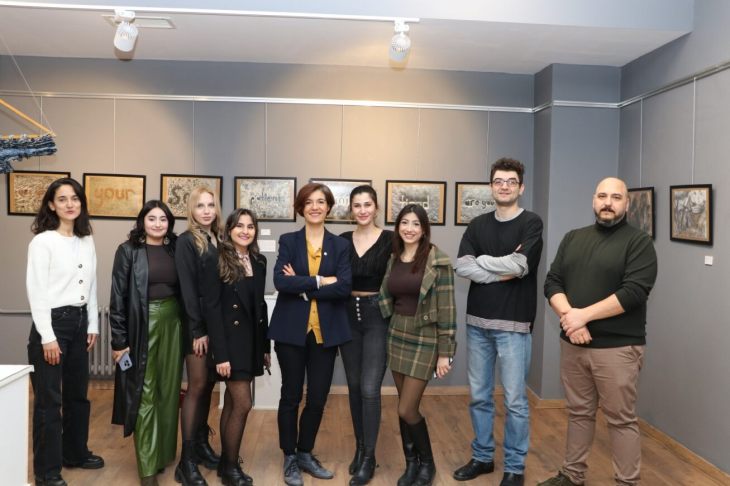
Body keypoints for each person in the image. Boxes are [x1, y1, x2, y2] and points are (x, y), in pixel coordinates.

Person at [538, 177, 658, 486]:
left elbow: (633, 292)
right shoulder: (573, 238)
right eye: (602, 196)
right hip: (573, 345)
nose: (608, 202)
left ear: (627, 204)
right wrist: (570, 318)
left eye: (616, 197)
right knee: (579, 413)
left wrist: (581, 317)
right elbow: (552, 281)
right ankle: (572, 475)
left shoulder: (639, 243)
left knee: (620, 420)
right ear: (593, 200)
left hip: (617, 349)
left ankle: (627, 482)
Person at [452, 158, 543, 486]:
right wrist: (501, 270)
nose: (504, 186)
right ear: (491, 186)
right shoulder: (478, 225)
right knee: (479, 396)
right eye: (498, 181)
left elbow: (520, 265)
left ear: (521, 187)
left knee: (515, 401)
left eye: (511, 181)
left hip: (514, 327)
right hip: (477, 324)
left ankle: (515, 467)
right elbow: (462, 266)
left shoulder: (531, 223)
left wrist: (484, 262)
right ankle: (483, 457)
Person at [267, 182, 352, 486]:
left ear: (328, 207)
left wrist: (302, 286)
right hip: (291, 331)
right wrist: (319, 280)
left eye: (321, 202)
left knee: (317, 397)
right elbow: (281, 282)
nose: (315, 207)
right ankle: (289, 455)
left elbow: (344, 287)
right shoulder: (288, 240)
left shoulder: (340, 245)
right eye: (309, 202)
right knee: (290, 395)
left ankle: (305, 452)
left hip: (325, 333)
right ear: (301, 208)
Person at [26, 177, 104, 486]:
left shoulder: (86, 239)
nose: (70, 204)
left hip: (80, 322)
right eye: (62, 199)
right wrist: (47, 336)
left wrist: (93, 324)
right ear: (51, 205)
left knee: (77, 395)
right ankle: (46, 472)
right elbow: (36, 292)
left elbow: (92, 284)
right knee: (49, 402)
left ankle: (75, 453)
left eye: (75, 198)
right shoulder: (43, 242)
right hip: (52, 324)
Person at [379, 204, 456, 486]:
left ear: (424, 229)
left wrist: (445, 353)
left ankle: (428, 464)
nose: (409, 228)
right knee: (403, 404)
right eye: (404, 223)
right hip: (397, 333)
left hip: (425, 337)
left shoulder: (439, 261)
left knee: (406, 409)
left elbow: (447, 309)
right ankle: (411, 464)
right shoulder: (394, 258)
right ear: (398, 226)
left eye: (415, 224)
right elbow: (388, 295)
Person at [109, 200, 183, 486]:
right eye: (152, 219)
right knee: (145, 392)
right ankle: (148, 467)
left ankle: (163, 455)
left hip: (174, 322)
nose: (157, 224)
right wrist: (119, 341)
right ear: (142, 222)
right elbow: (117, 297)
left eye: (163, 219)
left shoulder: (175, 248)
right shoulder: (128, 251)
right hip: (142, 324)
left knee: (169, 391)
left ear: (169, 223)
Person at [203, 209, 270, 486]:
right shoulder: (217, 259)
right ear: (229, 229)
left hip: (251, 344)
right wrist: (220, 354)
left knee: (232, 404)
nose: (245, 231)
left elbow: (259, 307)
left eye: (250, 226)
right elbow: (212, 309)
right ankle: (231, 467)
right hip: (229, 345)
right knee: (243, 404)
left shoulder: (259, 260)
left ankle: (225, 464)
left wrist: (264, 348)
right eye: (239, 226)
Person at [339, 185, 393, 485]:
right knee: (355, 386)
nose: (362, 210)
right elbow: (331, 274)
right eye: (357, 205)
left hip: (377, 317)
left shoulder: (390, 240)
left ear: (376, 208)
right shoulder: (342, 240)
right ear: (351, 209)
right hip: (347, 316)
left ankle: (370, 457)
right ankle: (360, 448)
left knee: (370, 389)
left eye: (367, 205)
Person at [175, 186, 223, 486]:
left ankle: (201, 445)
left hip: (216, 324)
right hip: (197, 327)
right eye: (200, 206)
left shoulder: (217, 238)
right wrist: (198, 330)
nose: (206, 211)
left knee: (209, 386)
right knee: (196, 386)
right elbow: (188, 289)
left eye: (210, 205)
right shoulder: (186, 241)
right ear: (191, 210)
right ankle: (186, 461)